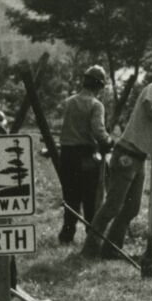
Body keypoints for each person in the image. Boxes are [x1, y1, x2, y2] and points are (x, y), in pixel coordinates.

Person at [84, 60, 152, 262]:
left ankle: (111, 248)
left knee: (132, 208)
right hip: (127, 154)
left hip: (141, 158)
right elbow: (150, 112)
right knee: (113, 205)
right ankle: (91, 247)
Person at [53, 65, 108, 247]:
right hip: (86, 156)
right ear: (99, 86)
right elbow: (98, 131)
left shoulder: (69, 101)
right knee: (90, 199)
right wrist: (109, 142)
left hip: (67, 155)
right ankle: (92, 239)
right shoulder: (95, 105)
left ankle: (66, 236)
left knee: (71, 197)